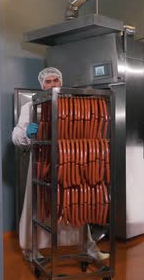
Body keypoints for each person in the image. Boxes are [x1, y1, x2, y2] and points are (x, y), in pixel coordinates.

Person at [12, 67, 109, 262]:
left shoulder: (72, 104)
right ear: (42, 85)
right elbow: (15, 136)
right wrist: (26, 134)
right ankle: (31, 250)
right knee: (38, 205)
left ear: (61, 82)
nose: (53, 84)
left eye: (56, 80)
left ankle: (87, 246)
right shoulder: (30, 106)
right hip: (43, 160)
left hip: (72, 161)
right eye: (48, 81)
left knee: (75, 202)